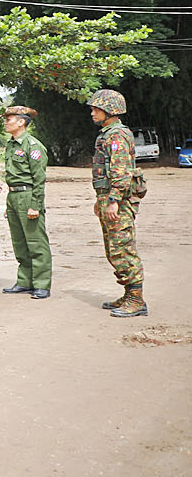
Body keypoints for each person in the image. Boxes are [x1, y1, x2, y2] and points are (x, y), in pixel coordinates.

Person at [88, 89, 148, 317]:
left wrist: (113, 200)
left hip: (119, 201)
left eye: (96, 109)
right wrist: (101, 199)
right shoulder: (107, 134)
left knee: (122, 249)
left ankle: (136, 299)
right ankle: (128, 294)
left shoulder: (117, 135)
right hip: (109, 198)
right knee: (113, 249)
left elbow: (121, 171)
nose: (92, 113)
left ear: (110, 110)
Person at [1, 105, 51, 299]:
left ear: (21, 121)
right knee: (20, 242)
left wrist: (35, 205)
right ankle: (24, 281)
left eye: (9, 119)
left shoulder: (33, 145)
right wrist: (9, 204)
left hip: (28, 195)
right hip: (14, 196)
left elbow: (39, 179)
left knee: (36, 242)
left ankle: (41, 284)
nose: (6, 123)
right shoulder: (11, 145)